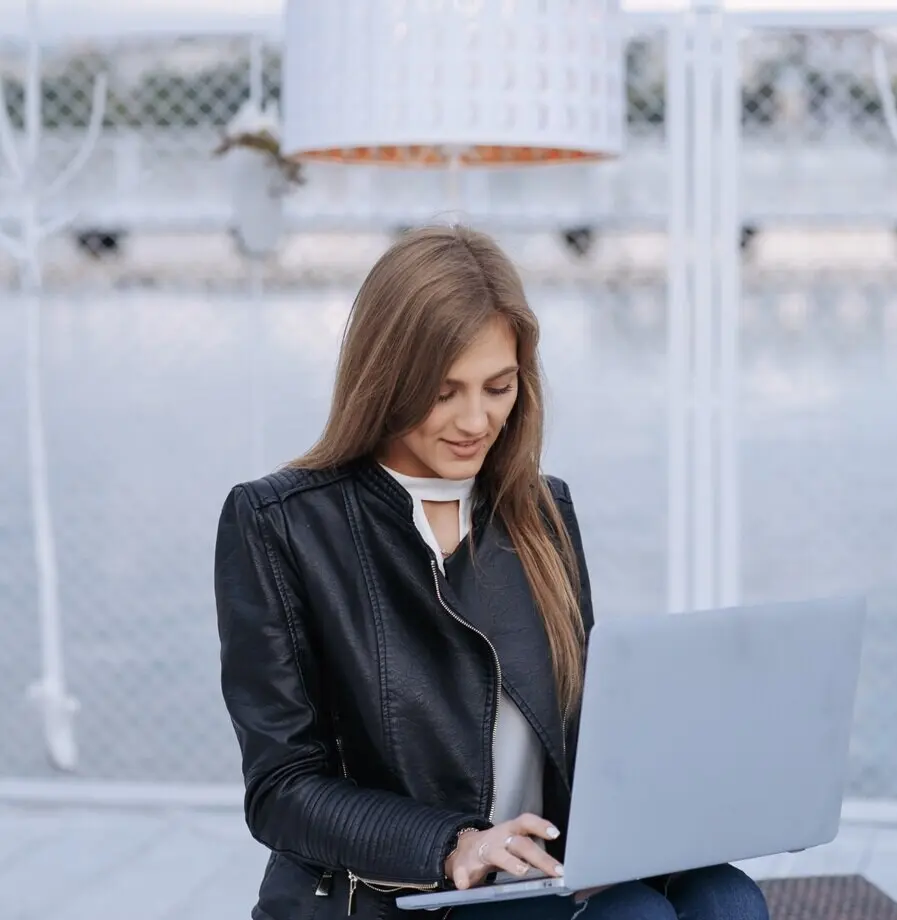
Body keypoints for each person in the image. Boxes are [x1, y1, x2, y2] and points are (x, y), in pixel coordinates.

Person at [214, 225, 770, 920]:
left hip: (542, 874)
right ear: (385, 379)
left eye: (498, 387)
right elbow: (281, 788)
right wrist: (455, 844)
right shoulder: (280, 523)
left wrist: (662, 811)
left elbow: (578, 734)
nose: (476, 421)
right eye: (443, 392)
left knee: (724, 894)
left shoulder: (541, 512)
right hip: (408, 895)